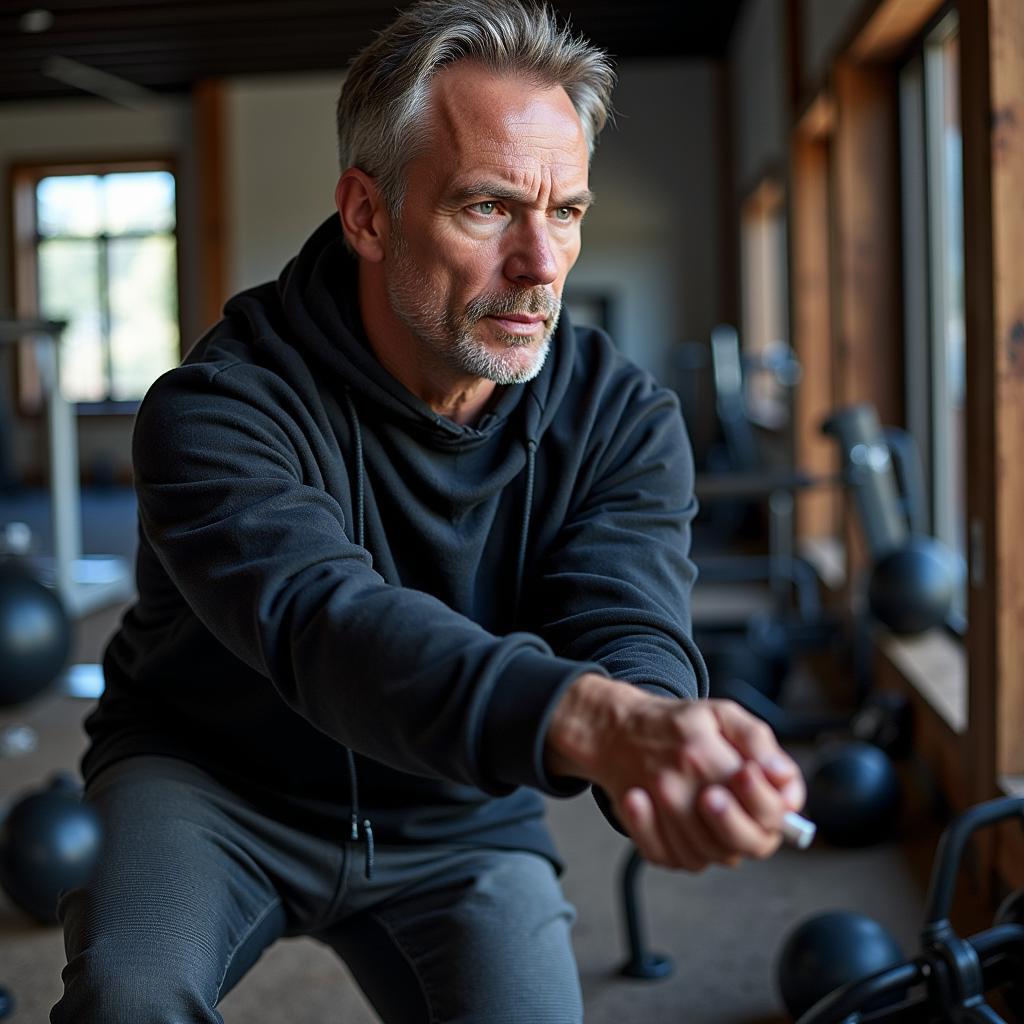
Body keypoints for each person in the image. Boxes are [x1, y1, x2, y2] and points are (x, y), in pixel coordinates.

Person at [52, 1, 806, 1021]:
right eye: (489, 208)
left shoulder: (620, 416)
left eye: (566, 212)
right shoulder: (217, 410)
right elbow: (326, 623)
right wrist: (589, 719)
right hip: (210, 780)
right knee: (127, 999)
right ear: (368, 213)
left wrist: (664, 724)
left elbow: (623, 617)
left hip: (459, 804)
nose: (542, 266)